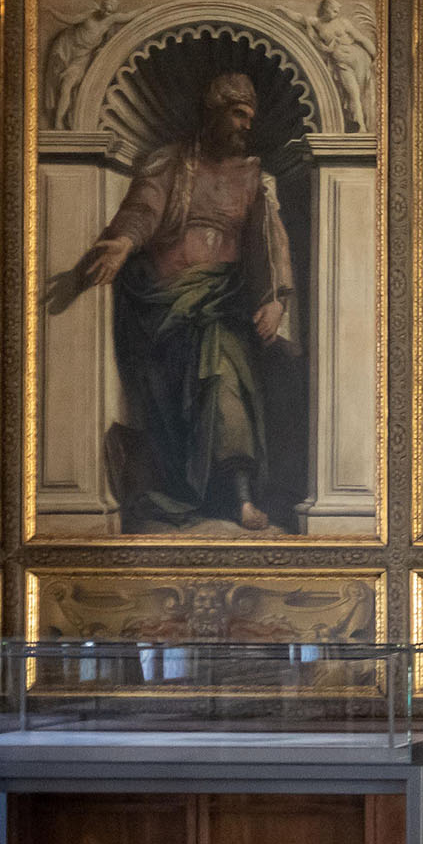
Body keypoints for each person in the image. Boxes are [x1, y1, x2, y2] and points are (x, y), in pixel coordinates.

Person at [44, 69, 298, 533]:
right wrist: (123, 244)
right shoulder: (172, 164)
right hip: (163, 308)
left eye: (250, 116)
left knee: (224, 377)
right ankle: (188, 489)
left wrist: (277, 299)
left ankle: (240, 496)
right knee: (175, 402)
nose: (246, 125)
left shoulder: (253, 176)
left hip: (221, 304)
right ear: (213, 112)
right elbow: (144, 208)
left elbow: (272, 241)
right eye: (238, 114)